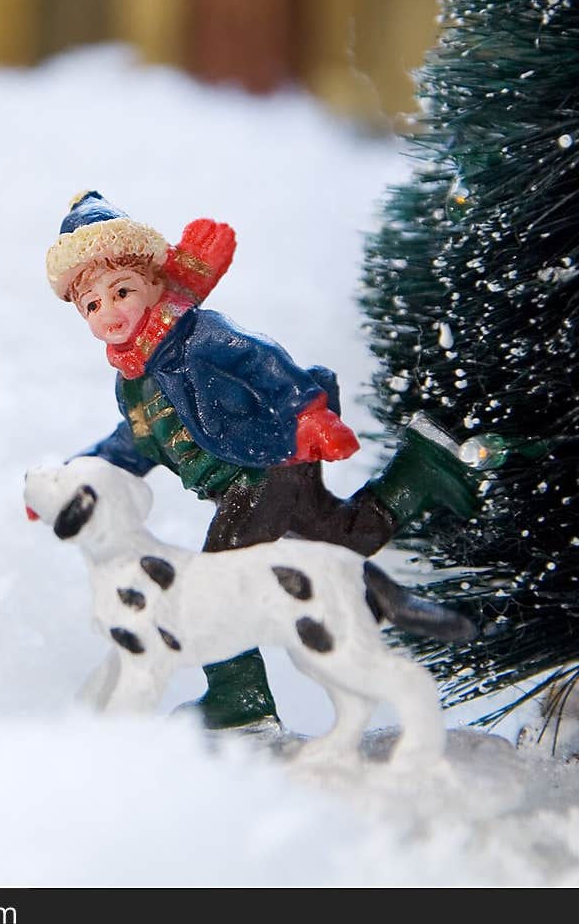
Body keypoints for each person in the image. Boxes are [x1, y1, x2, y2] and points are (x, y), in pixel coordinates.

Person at [46, 190, 480, 733]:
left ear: (156, 284)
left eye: (122, 290)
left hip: (269, 465)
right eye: (91, 305)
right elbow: (135, 444)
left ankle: (240, 700)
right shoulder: (133, 384)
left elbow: (264, 360)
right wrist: (78, 475)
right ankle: (425, 468)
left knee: (208, 585)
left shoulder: (197, 336)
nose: (108, 310)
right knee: (341, 537)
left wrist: (310, 414)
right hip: (248, 479)